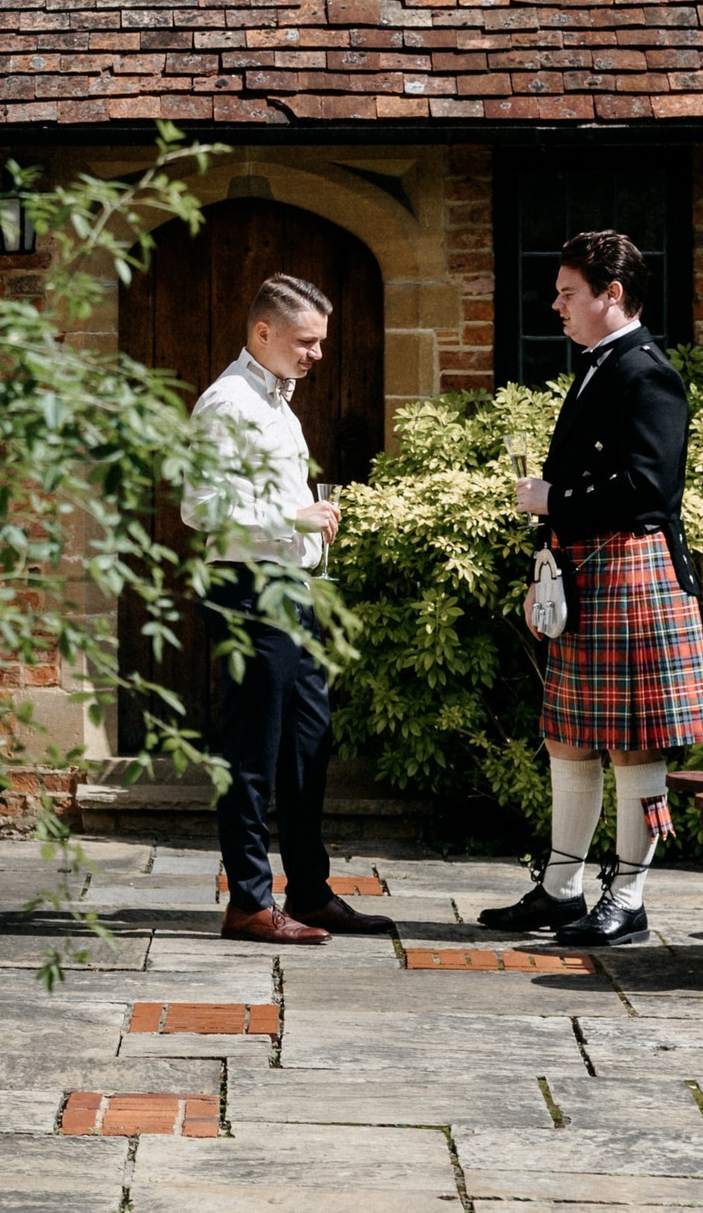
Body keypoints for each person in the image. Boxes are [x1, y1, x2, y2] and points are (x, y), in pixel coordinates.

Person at [480, 229, 703, 948]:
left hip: (632, 570)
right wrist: (544, 564)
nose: (555, 305)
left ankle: (631, 896)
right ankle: (561, 890)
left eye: (567, 293)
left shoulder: (647, 372)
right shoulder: (597, 365)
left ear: (611, 294)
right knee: (570, 739)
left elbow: (651, 486)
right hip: (588, 570)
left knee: (633, 744)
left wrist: (555, 499)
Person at [183, 273, 395, 945]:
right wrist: (293, 513)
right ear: (263, 332)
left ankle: (309, 890)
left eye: (321, 342)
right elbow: (199, 506)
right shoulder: (226, 403)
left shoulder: (279, 403)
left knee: (309, 741)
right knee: (253, 749)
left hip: (290, 589)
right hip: (247, 590)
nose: (317, 353)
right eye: (307, 340)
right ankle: (248, 900)